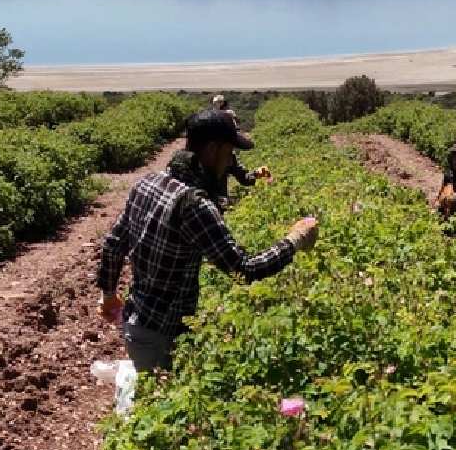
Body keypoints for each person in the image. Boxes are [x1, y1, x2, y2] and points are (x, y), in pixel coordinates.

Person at [97, 109, 318, 372]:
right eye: (228, 152)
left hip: (135, 323)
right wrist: (295, 239)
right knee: (161, 401)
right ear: (213, 150)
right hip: (163, 334)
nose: (230, 161)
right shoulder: (194, 205)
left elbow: (113, 245)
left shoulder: (147, 182)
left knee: (149, 392)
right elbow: (245, 269)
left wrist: (109, 294)